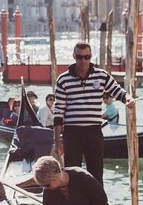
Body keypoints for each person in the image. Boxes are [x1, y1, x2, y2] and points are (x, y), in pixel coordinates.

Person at [53, 41, 134, 185]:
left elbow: (117, 90)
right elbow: (58, 112)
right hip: (72, 133)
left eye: (87, 57)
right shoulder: (63, 79)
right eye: (79, 57)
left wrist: (128, 98)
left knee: (96, 173)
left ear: (90, 57)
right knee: (71, 173)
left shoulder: (101, 76)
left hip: (93, 132)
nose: (83, 61)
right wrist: (58, 140)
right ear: (74, 56)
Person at [33, 155, 108, 205]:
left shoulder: (82, 177)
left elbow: (102, 201)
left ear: (54, 177)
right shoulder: (48, 191)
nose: (45, 187)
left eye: (46, 184)